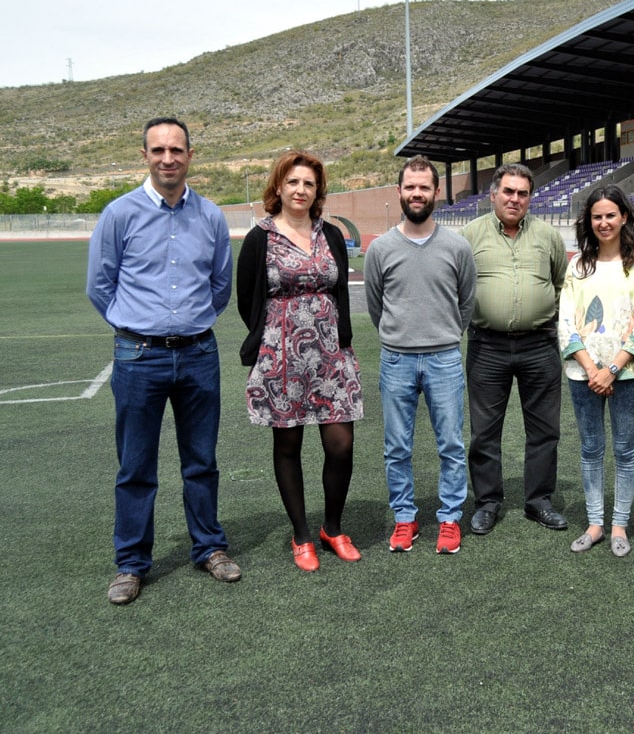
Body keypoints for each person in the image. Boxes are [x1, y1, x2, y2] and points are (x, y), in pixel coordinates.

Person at [87, 116, 240, 605]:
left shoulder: (212, 217)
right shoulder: (119, 214)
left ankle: (209, 548)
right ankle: (131, 563)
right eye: (158, 150)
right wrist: (136, 325)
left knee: (201, 461)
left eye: (176, 150)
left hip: (198, 354)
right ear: (145, 156)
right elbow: (100, 285)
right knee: (135, 466)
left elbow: (220, 288)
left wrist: (188, 324)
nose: (167, 158)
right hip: (138, 356)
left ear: (190, 155)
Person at [236, 150, 364, 573]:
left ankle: (332, 527)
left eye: (308, 183)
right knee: (288, 443)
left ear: (317, 191)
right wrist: (270, 337)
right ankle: (301, 535)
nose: (300, 190)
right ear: (278, 187)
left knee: (340, 442)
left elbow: (340, 290)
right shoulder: (261, 237)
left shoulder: (329, 234)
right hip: (282, 353)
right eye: (293, 182)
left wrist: (342, 343)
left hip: (330, 353)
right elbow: (247, 298)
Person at [364, 155, 477, 555]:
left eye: (424, 187)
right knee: (397, 446)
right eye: (410, 187)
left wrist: (443, 334)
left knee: (450, 444)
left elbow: (466, 304)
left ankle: (449, 519)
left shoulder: (456, 246)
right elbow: (376, 306)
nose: (416, 193)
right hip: (396, 360)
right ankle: (404, 518)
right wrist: (401, 336)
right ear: (399, 191)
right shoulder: (380, 249)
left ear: (436, 192)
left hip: (444, 358)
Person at [462, 163, 570, 535]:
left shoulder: (547, 236)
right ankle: (488, 502)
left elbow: (560, 283)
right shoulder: (469, 235)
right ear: (493, 195)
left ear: (530, 198)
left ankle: (538, 500)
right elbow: (458, 287)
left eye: (522, 193)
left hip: (539, 345)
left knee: (544, 430)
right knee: (484, 432)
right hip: (486, 345)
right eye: (508, 191)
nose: (515, 199)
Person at [557, 186, 634, 558]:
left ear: (624, 217)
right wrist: (591, 367)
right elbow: (566, 322)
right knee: (591, 449)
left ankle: (619, 525)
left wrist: (612, 368)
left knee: (625, 449)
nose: (604, 222)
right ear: (589, 221)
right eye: (597, 216)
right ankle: (595, 523)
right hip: (583, 374)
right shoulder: (578, 266)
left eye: (610, 215)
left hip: (627, 373)